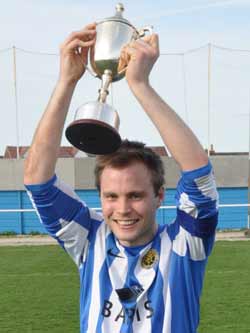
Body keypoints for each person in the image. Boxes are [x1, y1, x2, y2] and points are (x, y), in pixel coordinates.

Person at [24, 23, 219, 333]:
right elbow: (37, 182)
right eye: (111, 196)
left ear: (159, 196)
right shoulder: (90, 239)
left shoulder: (184, 243)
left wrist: (140, 84)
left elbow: (198, 174)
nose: (123, 209)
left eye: (136, 195)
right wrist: (66, 81)